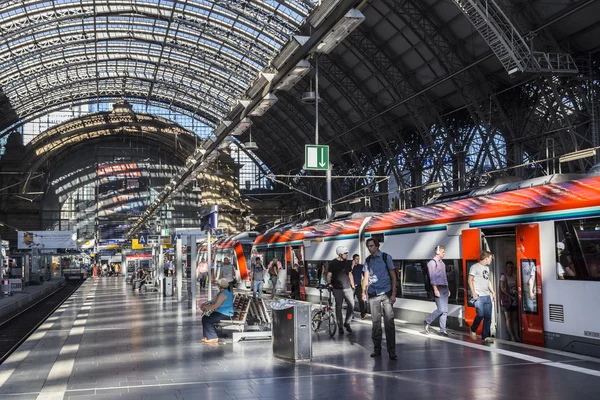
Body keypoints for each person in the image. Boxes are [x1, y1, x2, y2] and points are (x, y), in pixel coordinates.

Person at [362, 238, 397, 360]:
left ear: (377, 246)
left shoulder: (386, 257)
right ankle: (377, 349)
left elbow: (393, 276)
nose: (370, 248)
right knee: (375, 324)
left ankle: (391, 351)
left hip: (386, 293)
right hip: (373, 293)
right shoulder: (367, 261)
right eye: (368, 246)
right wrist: (363, 292)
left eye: (371, 246)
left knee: (389, 322)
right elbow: (365, 278)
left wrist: (393, 294)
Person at [468, 251, 496, 343]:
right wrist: (474, 293)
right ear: (486, 258)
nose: (491, 260)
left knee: (488, 317)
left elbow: (488, 281)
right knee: (480, 314)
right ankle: (473, 329)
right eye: (490, 258)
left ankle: (485, 337)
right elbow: (470, 280)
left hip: (487, 296)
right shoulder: (474, 267)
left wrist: (493, 292)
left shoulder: (487, 268)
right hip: (478, 296)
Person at [424, 245, 451, 337]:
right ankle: (428, 321)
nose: (444, 254)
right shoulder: (432, 263)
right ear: (438, 252)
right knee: (441, 309)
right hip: (438, 288)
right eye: (443, 252)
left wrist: (448, 288)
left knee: (445, 311)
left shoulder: (442, 263)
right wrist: (435, 289)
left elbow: (444, 277)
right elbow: (432, 278)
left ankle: (442, 330)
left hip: (444, 288)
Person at [327, 246, 355, 334]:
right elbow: (329, 274)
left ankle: (347, 322)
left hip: (347, 288)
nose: (347, 255)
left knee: (352, 305)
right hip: (337, 288)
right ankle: (340, 326)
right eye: (345, 253)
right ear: (340, 254)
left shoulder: (347, 263)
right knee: (338, 307)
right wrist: (329, 283)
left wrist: (353, 285)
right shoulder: (333, 263)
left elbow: (350, 274)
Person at [200, 279, 234, 343]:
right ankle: (207, 336)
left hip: (225, 314)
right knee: (205, 318)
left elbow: (216, 306)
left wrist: (206, 307)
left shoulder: (224, 294)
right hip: (220, 313)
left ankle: (213, 337)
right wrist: (204, 304)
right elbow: (212, 301)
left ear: (219, 286)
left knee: (208, 320)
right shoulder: (221, 293)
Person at [499, 261, 520, 342]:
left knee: (514, 318)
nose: (510, 269)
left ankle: (516, 336)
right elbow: (502, 288)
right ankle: (512, 336)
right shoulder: (503, 277)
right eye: (508, 267)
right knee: (508, 318)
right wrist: (511, 296)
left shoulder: (514, 276)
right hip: (507, 300)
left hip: (514, 299)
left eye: (511, 267)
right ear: (506, 268)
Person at [351, 254, 367, 320]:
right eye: (357, 259)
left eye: (358, 259)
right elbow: (348, 273)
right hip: (351, 286)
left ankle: (363, 314)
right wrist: (352, 266)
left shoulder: (361, 266)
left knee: (361, 300)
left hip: (358, 286)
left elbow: (365, 275)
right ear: (353, 260)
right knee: (351, 301)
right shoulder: (350, 267)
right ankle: (350, 315)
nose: (358, 260)